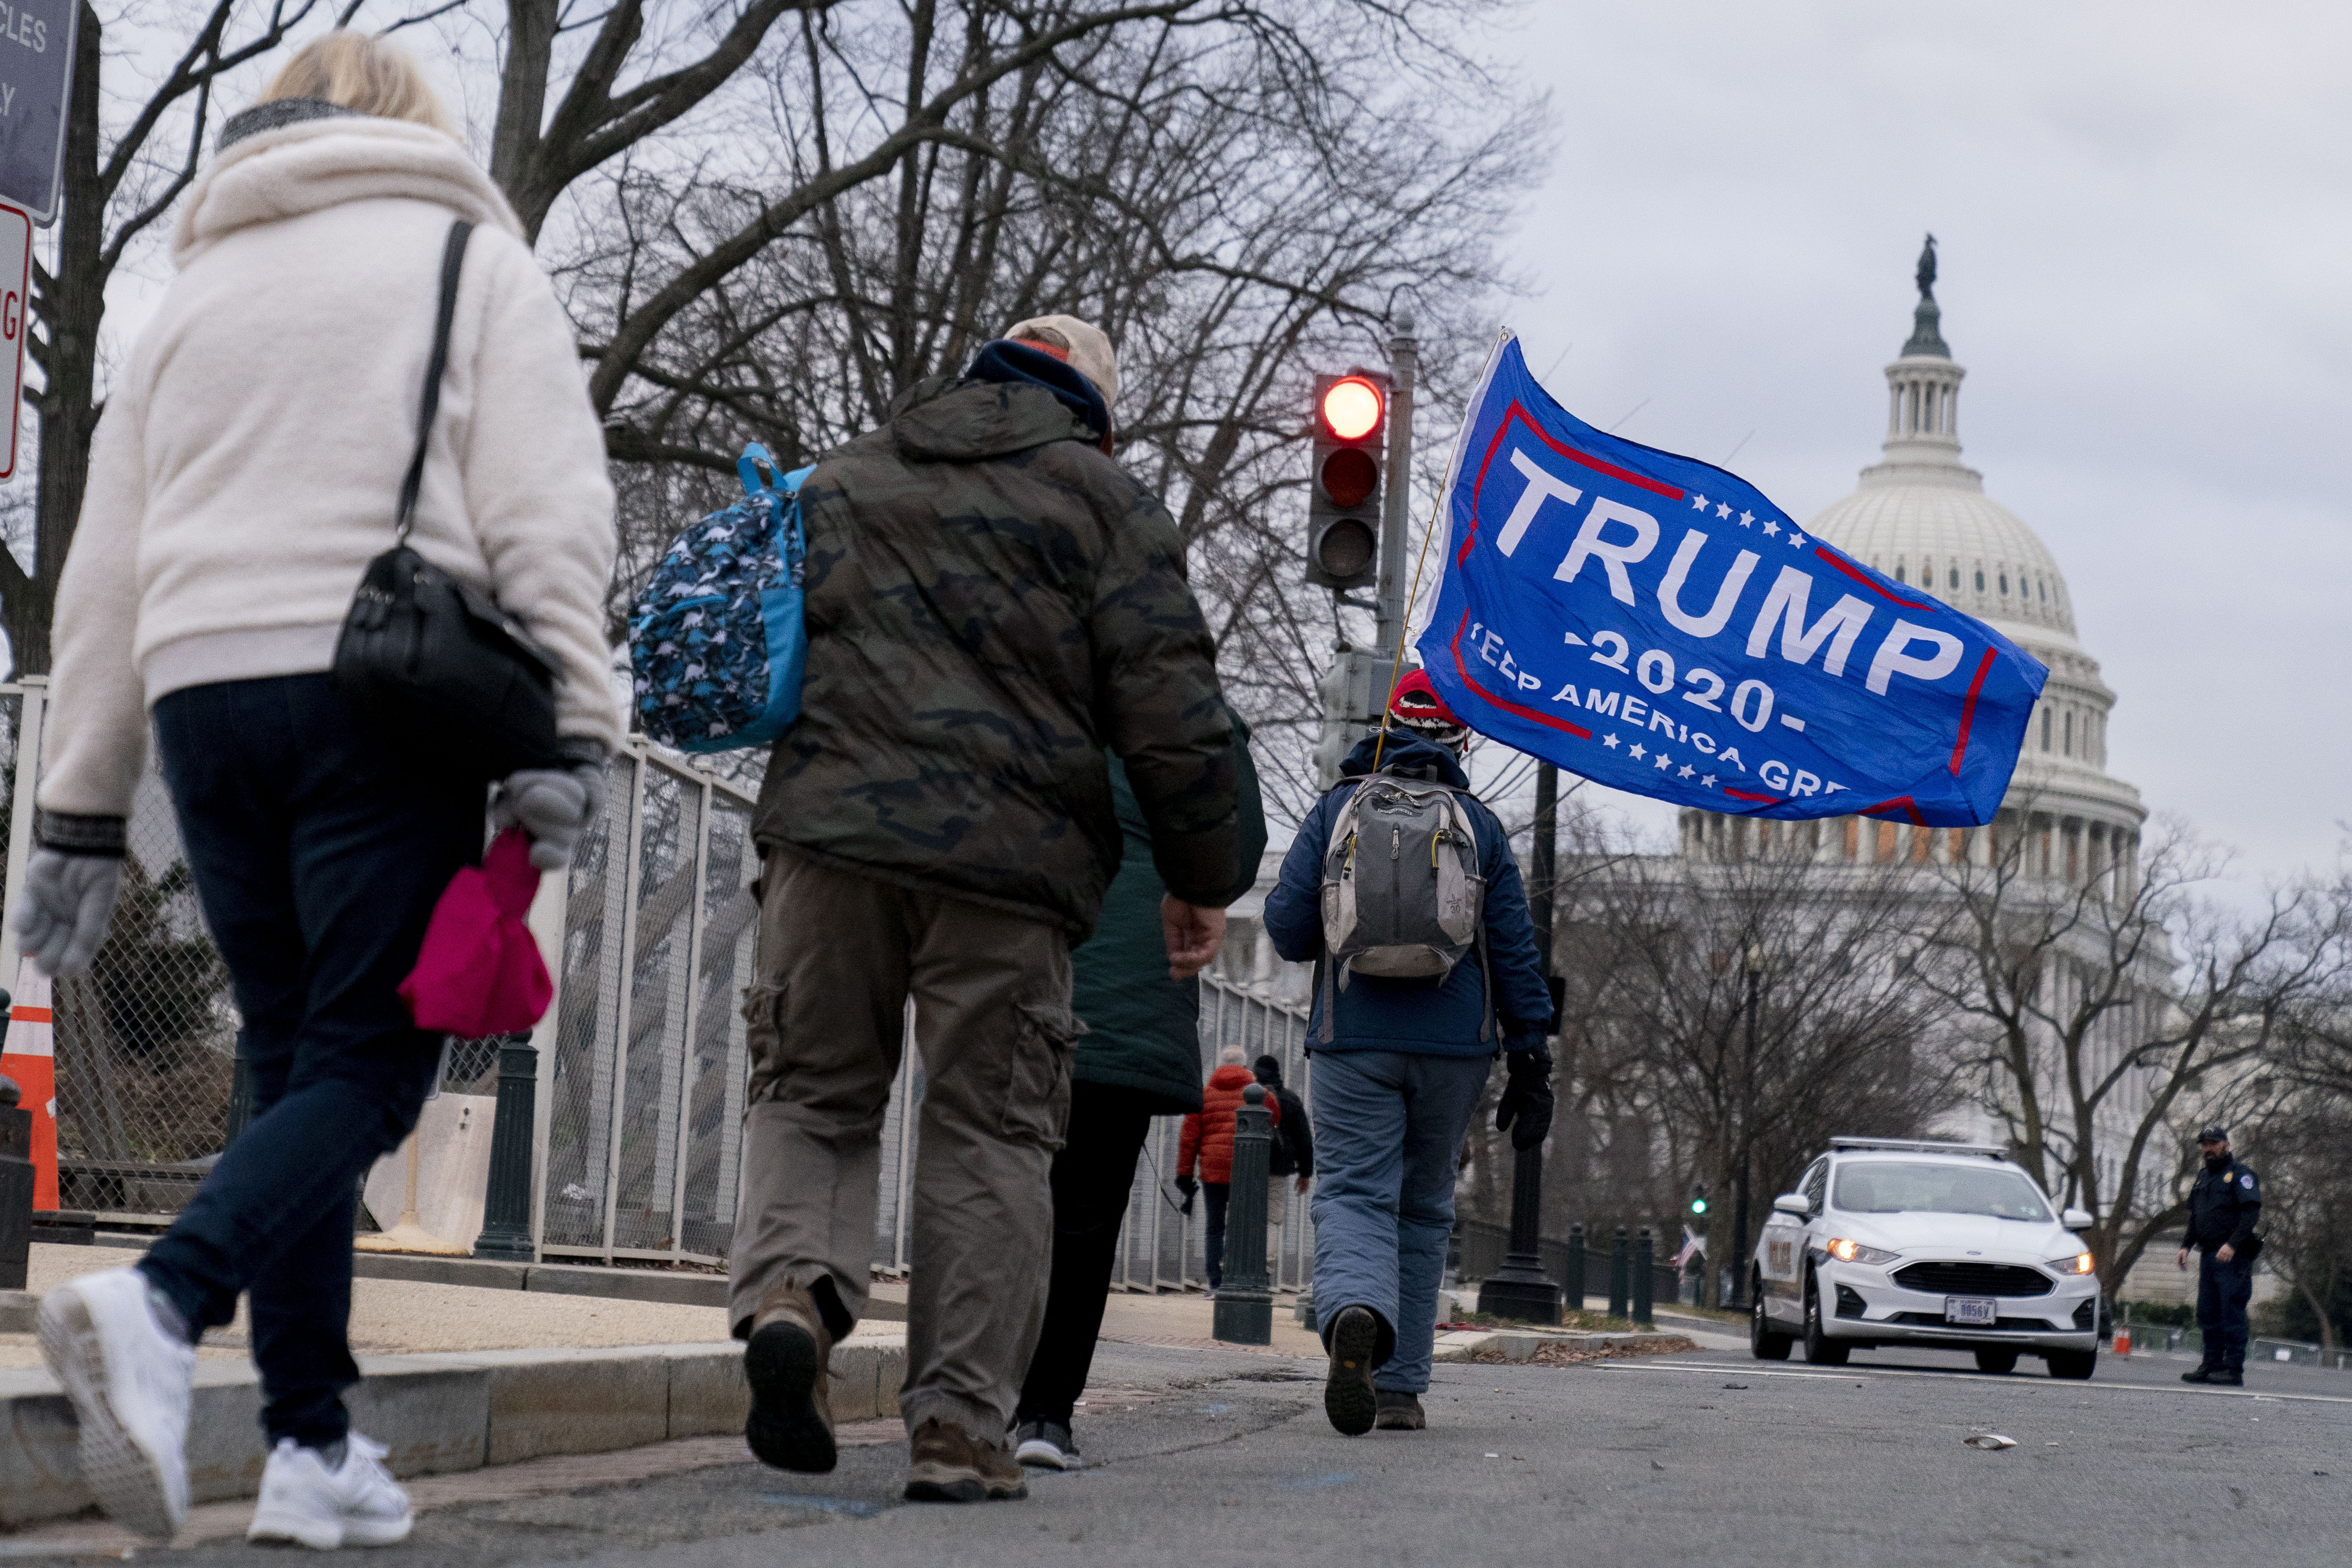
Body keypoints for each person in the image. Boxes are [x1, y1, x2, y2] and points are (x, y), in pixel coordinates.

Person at [21, 31, 618, 1548]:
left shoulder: (195, 291)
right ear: (414, 127)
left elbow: (100, 560)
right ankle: (161, 1299)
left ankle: (309, 1440)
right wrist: (576, 727)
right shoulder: (465, 259)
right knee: (374, 1059)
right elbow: (551, 510)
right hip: (385, 686)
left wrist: (81, 806)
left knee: (288, 1050)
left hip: (200, 691)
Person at [727, 314, 1242, 1505]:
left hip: (825, 845)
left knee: (811, 1090)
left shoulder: (849, 472)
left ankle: (791, 1298)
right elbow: (1175, 717)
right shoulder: (1105, 506)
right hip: (1009, 873)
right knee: (989, 1130)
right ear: (1095, 417)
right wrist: (1200, 874)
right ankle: (958, 1424)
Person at [1263, 672, 1553, 1436]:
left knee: (1355, 1191)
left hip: (1353, 1036)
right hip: (1455, 1046)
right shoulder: (1481, 824)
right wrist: (1531, 1057)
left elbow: (1289, 928)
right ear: (1461, 740)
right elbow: (1514, 951)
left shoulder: (1338, 807)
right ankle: (1399, 1388)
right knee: (1424, 1208)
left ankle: (1357, 1308)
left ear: (1385, 725)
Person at [1009, 721, 1267, 1471]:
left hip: (1023, 977)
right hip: (1132, 995)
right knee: (1086, 1217)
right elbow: (1239, 845)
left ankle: (965, 1394)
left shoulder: (1037, 668)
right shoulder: (1192, 711)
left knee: (994, 1193)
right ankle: (1045, 1414)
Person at [1176, 1045, 1282, 1296]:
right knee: (1242, 1225)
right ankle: (1238, 1279)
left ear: (1221, 1065)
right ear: (1245, 1066)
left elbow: (1189, 1137)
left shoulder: (1205, 1094)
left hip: (1213, 1172)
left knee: (1215, 1227)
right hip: (1245, 1170)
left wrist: (1185, 1173)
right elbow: (1275, 1117)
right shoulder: (1259, 1093)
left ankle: (1215, 1282)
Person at [2177, 1124, 2262, 1387]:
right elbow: (2197, 1217)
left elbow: (2250, 1213)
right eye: (2205, 1144)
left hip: (2232, 1256)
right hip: (2209, 1255)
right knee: (2208, 1312)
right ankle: (2211, 1364)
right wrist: (2186, 1245)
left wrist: (2233, 1245)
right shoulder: (2203, 1178)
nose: (2208, 1149)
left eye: (2213, 1143)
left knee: (2232, 1312)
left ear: (2226, 1145)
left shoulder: (2240, 1175)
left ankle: (2233, 1369)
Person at [1254, 1054, 1315, 1266]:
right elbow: (1304, 1138)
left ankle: (1241, 1263)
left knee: (1244, 1212)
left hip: (1247, 1166)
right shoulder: (1290, 1099)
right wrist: (1305, 1172)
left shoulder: (1247, 1097)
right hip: (1278, 1167)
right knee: (1272, 1215)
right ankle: (1267, 1266)